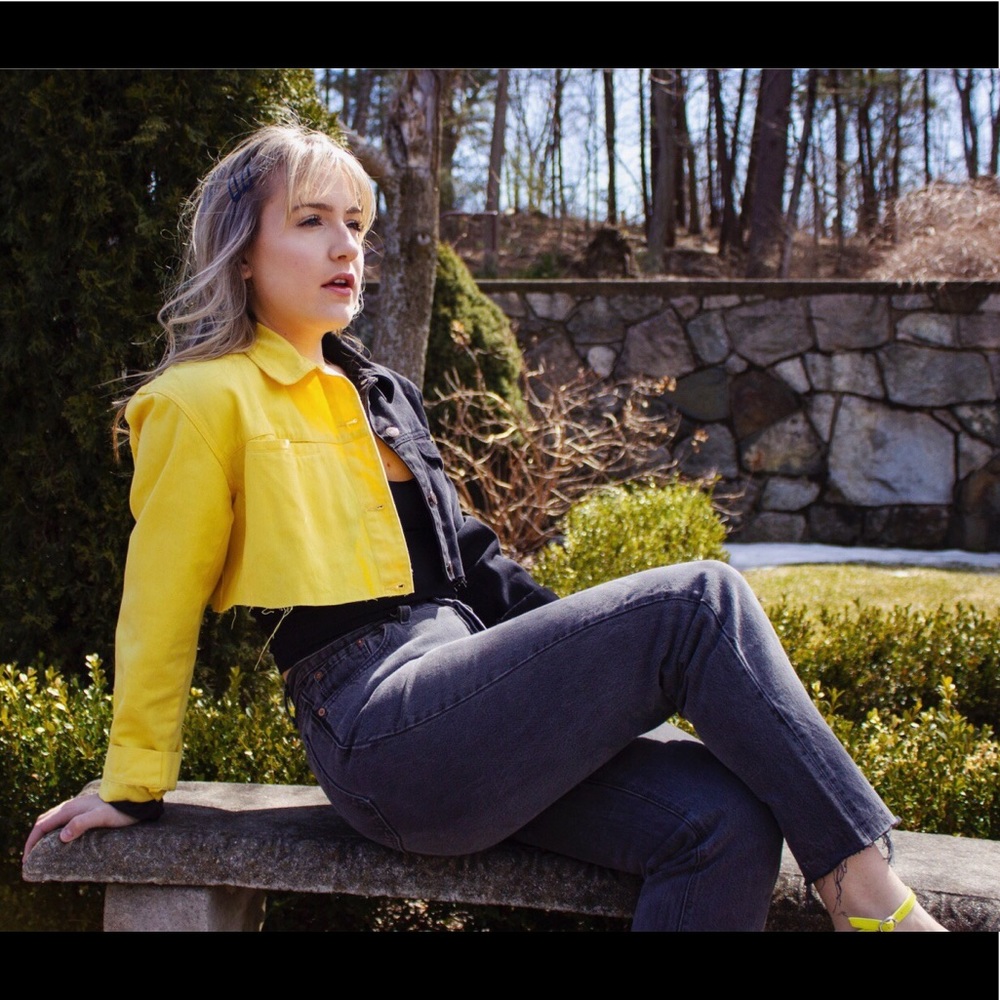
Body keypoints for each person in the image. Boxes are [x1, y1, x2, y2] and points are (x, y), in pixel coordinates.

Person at [24, 121, 945, 932]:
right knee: (700, 599)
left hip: (467, 700)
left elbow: (475, 563)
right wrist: (132, 786)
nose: (345, 246)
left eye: (356, 224)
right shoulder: (200, 399)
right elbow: (158, 603)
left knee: (721, 818)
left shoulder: (383, 395)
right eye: (310, 221)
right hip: (379, 729)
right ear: (241, 253)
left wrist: (592, 671)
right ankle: (869, 896)